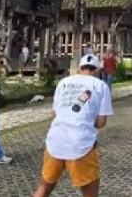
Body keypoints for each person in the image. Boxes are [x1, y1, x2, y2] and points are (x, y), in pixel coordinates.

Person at [33, 54, 113, 197]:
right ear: (97, 71)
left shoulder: (63, 82)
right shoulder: (101, 85)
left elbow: (54, 114)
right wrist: (87, 118)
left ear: (79, 69)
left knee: (44, 187)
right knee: (90, 193)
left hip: (55, 141)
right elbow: (101, 123)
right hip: (81, 144)